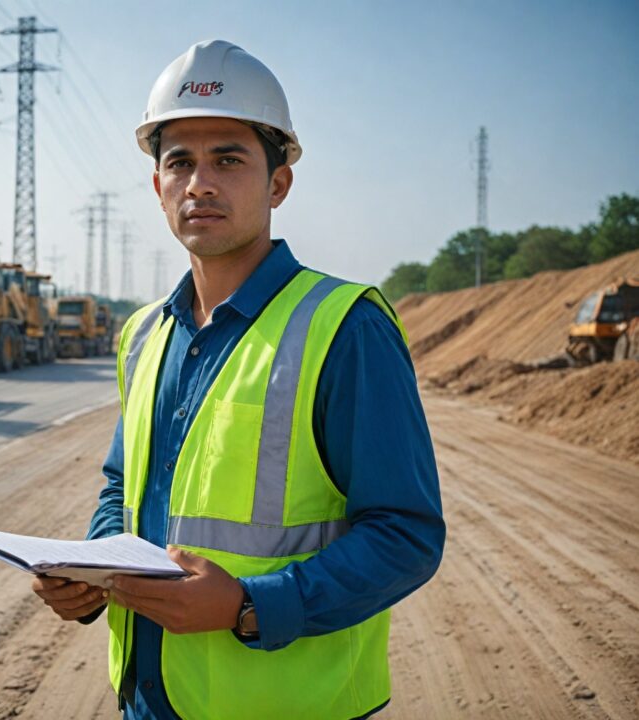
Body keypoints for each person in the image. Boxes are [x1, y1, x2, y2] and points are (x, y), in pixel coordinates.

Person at [32, 39, 445, 720]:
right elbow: (123, 488)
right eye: (180, 163)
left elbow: (406, 534)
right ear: (157, 184)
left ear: (277, 183)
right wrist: (92, 568)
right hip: (150, 699)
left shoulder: (343, 327)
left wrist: (251, 606)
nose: (200, 182)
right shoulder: (144, 336)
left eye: (228, 159)